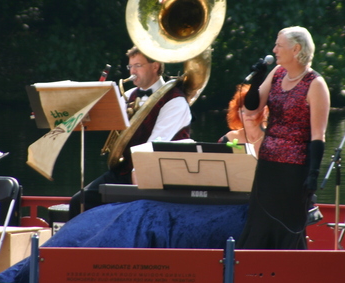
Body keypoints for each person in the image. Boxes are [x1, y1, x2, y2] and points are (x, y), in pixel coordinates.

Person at [68, 46, 192, 219]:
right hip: (125, 171)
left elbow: (156, 143)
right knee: (79, 202)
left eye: (138, 65)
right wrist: (88, 112)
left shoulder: (175, 101)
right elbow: (104, 122)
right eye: (130, 66)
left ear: (155, 67)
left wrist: (135, 175)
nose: (132, 71)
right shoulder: (128, 94)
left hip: (158, 177)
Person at [238, 26, 330, 250]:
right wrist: (257, 79)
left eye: (279, 45)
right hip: (268, 164)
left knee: (287, 226)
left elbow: (318, 135)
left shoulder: (315, 84)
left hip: (294, 168)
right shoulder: (278, 73)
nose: (274, 49)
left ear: (296, 48)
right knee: (260, 223)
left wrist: (313, 174)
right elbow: (252, 107)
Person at [218, 84, 268, 152]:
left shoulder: (274, 138)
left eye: (252, 111)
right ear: (237, 113)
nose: (247, 115)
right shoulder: (229, 138)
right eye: (243, 111)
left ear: (264, 111)